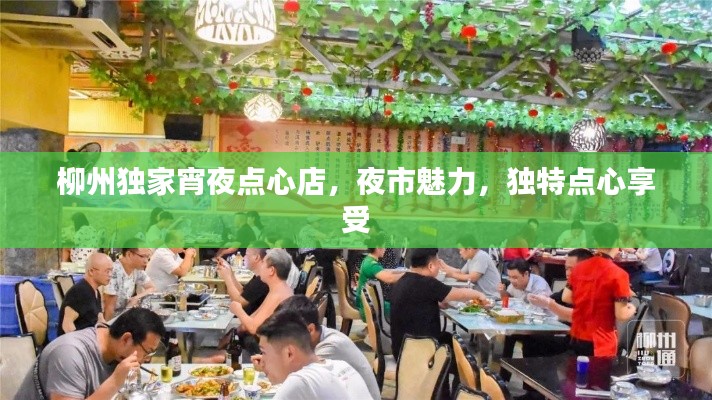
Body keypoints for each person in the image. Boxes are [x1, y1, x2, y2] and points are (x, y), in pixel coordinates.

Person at [15, 308, 166, 400]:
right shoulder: (70, 353)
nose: (145, 360)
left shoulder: (115, 352)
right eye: (147, 352)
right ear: (126, 339)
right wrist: (115, 381)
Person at [252, 296, 381, 400]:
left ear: (289, 353)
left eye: (264, 352)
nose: (263, 360)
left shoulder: (300, 381)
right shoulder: (340, 365)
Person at [390, 248, 488, 358]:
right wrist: (479, 295)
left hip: (401, 350)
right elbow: (458, 294)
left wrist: (436, 304)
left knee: (449, 339)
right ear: (431, 266)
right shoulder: (428, 283)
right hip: (418, 354)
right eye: (438, 263)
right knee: (458, 350)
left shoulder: (402, 280)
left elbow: (415, 303)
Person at [563, 222, 636, 357]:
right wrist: (632, 308)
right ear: (617, 242)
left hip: (577, 336)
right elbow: (621, 314)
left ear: (596, 242)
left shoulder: (579, 268)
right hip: (601, 342)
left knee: (576, 370)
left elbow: (566, 297)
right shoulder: (619, 274)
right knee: (598, 372)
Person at [228, 248, 294, 353]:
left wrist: (238, 309)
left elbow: (254, 328)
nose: (261, 266)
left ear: (271, 270)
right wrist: (237, 329)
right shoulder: (277, 289)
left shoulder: (278, 294)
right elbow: (254, 317)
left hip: (271, 348)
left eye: (263, 263)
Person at [58, 252, 113, 336]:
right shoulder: (80, 292)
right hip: (74, 341)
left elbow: (100, 319)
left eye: (111, 271)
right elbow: (67, 326)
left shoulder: (95, 291)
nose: (110, 275)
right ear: (91, 271)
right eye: (107, 271)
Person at [104, 239, 156, 320]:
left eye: (148, 257)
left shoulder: (137, 269)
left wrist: (136, 298)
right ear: (129, 254)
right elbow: (109, 309)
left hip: (126, 315)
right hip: (114, 320)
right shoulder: (114, 271)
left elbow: (152, 287)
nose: (146, 261)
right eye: (142, 256)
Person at [354, 238, 405, 321]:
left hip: (368, 303)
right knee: (404, 309)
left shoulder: (369, 260)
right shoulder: (371, 265)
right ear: (378, 247)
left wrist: (403, 272)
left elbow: (385, 272)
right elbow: (389, 278)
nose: (385, 249)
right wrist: (408, 275)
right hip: (368, 307)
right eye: (384, 247)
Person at [217, 241, 270, 315]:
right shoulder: (258, 276)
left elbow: (239, 302)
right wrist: (230, 272)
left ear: (256, 257)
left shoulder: (262, 280)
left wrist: (227, 278)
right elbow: (243, 292)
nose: (244, 258)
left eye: (246, 254)